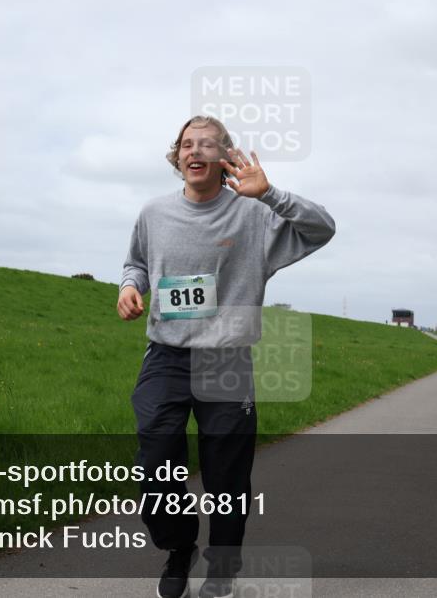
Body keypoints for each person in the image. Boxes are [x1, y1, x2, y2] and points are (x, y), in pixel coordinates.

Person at [118, 115, 336, 598]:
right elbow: (136, 261)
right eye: (186, 144)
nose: (195, 151)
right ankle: (179, 550)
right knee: (155, 463)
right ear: (177, 157)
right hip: (165, 357)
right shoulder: (153, 213)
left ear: (225, 157)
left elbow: (323, 229)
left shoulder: (254, 215)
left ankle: (222, 569)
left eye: (208, 145)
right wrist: (130, 287)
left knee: (227, 478)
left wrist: (271, 194)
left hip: (227, 362)